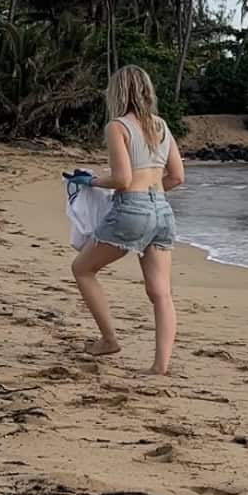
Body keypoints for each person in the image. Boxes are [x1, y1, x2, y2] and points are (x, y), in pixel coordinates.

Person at [67, 65, 184, 374]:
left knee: (82, 268)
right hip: (162, 210)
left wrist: (90, 182)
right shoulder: (161, 126)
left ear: (116, 92)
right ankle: (160, 366)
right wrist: (152, 193)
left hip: (132, 209)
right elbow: (177, 177)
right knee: (161, 293)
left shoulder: (117, 126)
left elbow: (121, 179)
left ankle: (108, 339)